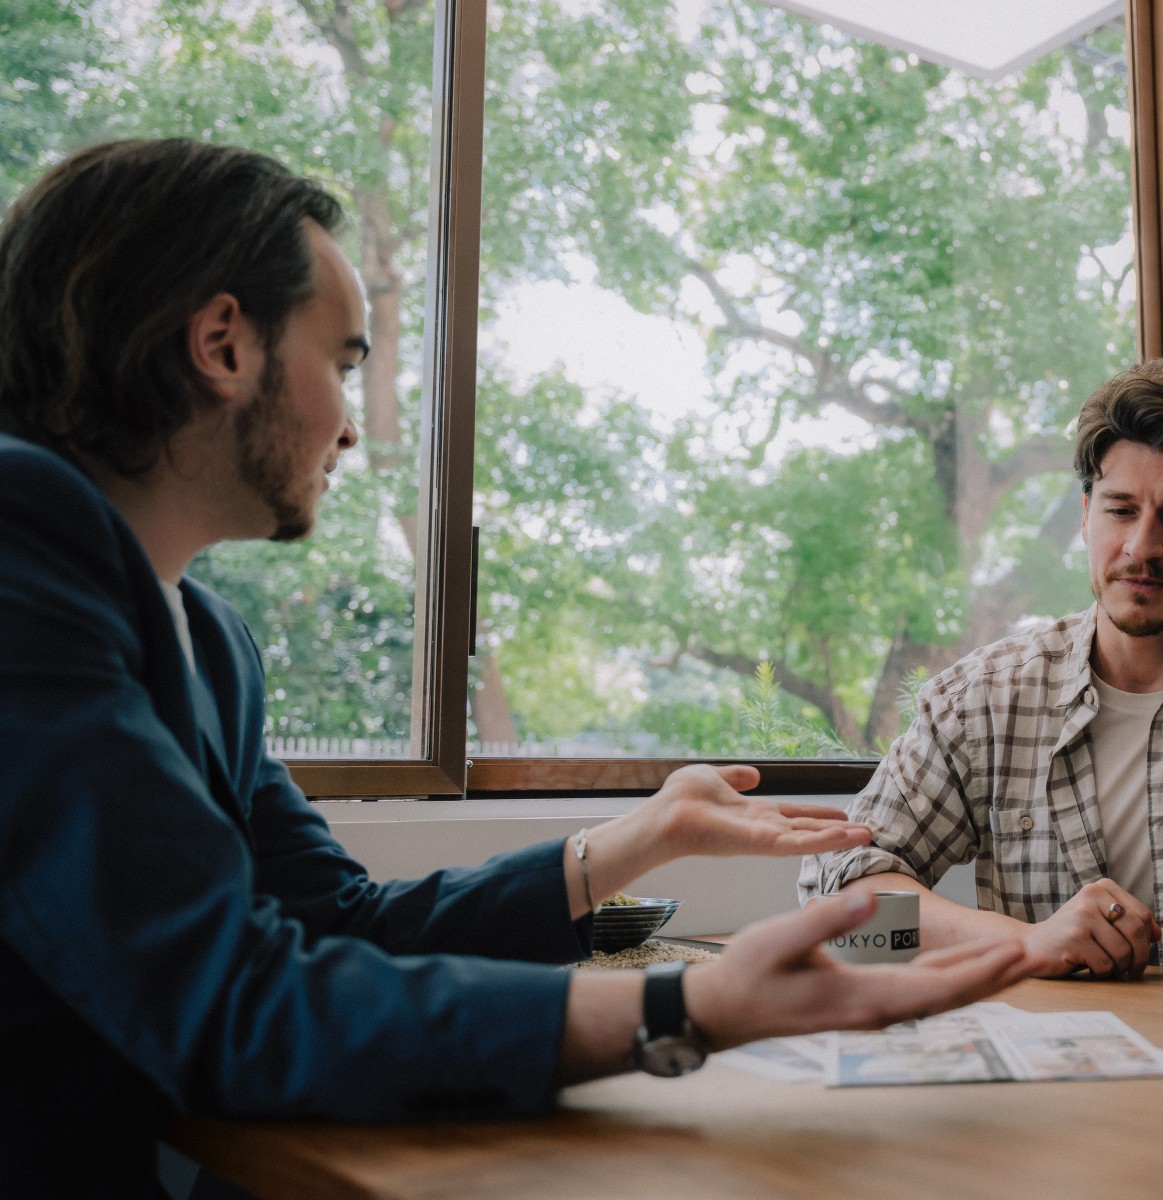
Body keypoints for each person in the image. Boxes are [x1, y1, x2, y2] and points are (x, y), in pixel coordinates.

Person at [0, 138, 1029, 1198]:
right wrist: (687, 1009)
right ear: (222, 343)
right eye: (344, 361)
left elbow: (342, 927)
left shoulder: (211, 641)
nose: (352, 427)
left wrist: (641, 838)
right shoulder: (19, 542)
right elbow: (232, 1005)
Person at [800, 356, 1163, 979]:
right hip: (1058, 1071)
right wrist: (1026, 943)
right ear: (1085, 514)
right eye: (1119, 509)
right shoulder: (984, 702)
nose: (1141, 547)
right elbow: (832, 897)